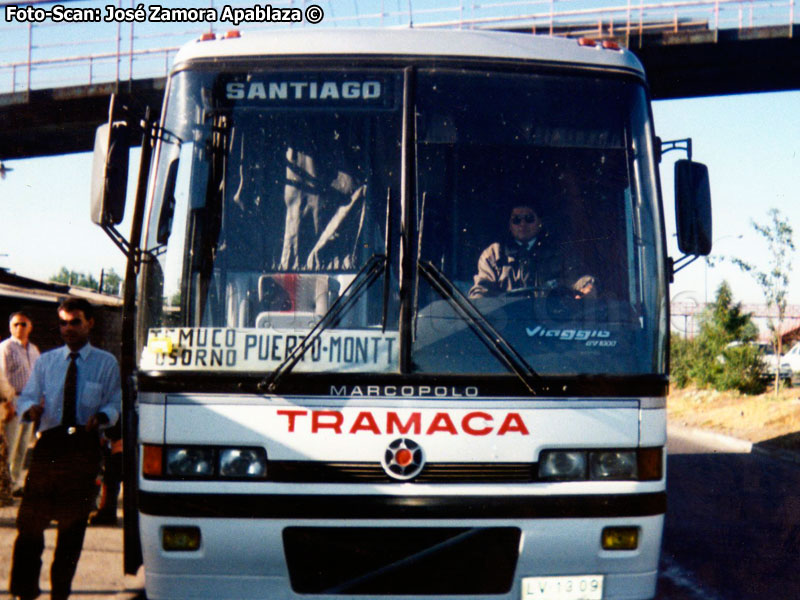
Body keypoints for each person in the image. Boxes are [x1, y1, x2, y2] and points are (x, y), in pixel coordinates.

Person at [9, 298, 121, 600]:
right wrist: (31, 409)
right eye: (63, 323)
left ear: (90, 323)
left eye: (75, 322)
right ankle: (24, 590)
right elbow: (28, 396)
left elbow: (114, 402)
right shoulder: (47, 362)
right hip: (50, 446)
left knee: (72, 529)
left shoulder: (106, 363)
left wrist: (102, 416)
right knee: (30, 525)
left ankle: (61, 592)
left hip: (83, 449)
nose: (67, 329)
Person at [468, 203, 596, 299]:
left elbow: (578, 279)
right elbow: (481, 289)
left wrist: (587, 287)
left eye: (529, 219)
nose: (522, 224)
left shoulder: (560, 251)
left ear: (539, 222)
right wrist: (479, 300)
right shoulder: (493, 254)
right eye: (516, 220)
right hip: (504, 328)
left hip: (549, 324)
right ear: (510, 225)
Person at [1, 311, 41, 494]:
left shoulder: (33, 350)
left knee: (24, 444)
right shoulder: (5, 348)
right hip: (13, 399)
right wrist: (6, 402)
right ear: (10, 327)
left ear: (30, 327)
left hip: (30, 401)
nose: (19, 328)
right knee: (10, 444)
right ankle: (4, 485)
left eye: (23, 324)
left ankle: (15, 483)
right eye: (15, 324)